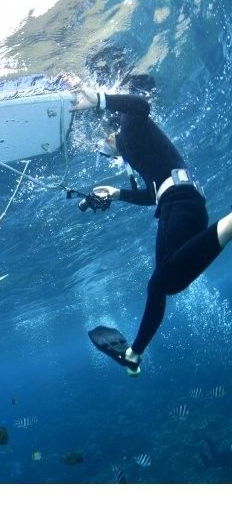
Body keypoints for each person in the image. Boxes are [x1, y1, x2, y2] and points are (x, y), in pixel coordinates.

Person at [72, 87, 232, 375]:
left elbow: (140, 106)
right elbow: (151, 195)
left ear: (108, 132)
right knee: (164, 284)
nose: (106, 154)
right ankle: (134, 354)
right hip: (182, 204)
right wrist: (117, 193)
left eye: (103, 147)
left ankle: (135, 353)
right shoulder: (134, 149)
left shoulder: (129, 127)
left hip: (180, 205)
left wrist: (100, 100)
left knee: (162, 283)